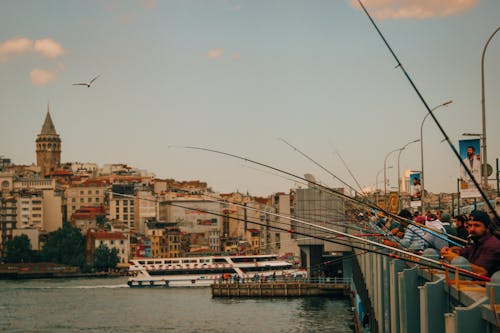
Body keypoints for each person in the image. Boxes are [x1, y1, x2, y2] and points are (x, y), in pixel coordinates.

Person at [441, 210, 500, 277]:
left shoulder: (493, 246)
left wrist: (454, 258)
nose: (472, 229)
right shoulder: (477, 241)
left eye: (477, 225)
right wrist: (451, 250)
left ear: (487, 228)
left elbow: (482, 272)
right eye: (470, 225)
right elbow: (465, 251)